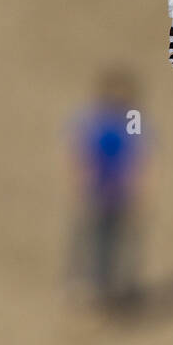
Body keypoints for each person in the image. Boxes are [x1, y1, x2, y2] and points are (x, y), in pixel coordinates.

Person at [66, 68, 147, 311]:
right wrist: (80, 186)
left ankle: (119, 292)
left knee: (122, 243)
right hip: (97, 193)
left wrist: (140, 190)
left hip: (121, 195)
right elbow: (80, 156)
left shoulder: (133, 123)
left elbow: (140, 158)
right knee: (92, 242)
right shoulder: (93, 122)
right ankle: (89, 291)